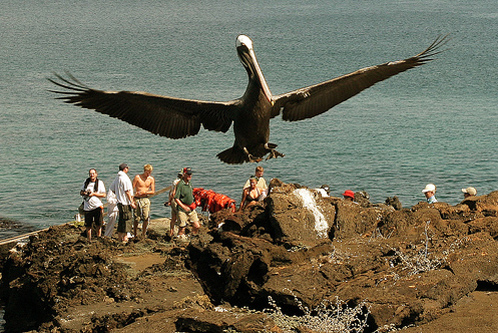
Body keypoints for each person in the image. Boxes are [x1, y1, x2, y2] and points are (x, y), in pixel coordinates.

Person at [110, 163, 136, 242]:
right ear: (125, 169)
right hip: (125, 202)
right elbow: (127, 191)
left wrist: (118, 195)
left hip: (119, 202)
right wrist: (131, 201)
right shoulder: (124, 178)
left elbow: (113, 189)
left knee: (121, 220)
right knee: (127, 220)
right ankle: (125, 238)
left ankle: (120, 237)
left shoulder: (117, 178)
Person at [80, 168, 106, 242]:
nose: (92, 175)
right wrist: (85, 193)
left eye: (93, 173)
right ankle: (89, 240)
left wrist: (94, 194)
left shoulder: (100, 183)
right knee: (88, 226)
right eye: (90, 174)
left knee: (99, 224)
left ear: (96, 174)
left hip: (97, 207)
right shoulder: (86, 182)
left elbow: (104, 195)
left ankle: (99, 238)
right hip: (87, 208)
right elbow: (81, 192)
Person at [174, 167, 200, 237]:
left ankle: (191, 238)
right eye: (188, 174)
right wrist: (184, 207)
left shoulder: (189, 183)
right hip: (182, 210)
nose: (190, 176)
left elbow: (191, 193)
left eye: (191, 174)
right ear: (184, 174)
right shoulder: (180, 184)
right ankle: (179, 240)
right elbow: (176, 198)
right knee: (182, 228)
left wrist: (195, 201)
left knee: (197, 226)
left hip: (191, 209)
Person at [132, 164, 155, 238]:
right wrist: (132, 200)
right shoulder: (137, 177)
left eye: (150, 172)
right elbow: (131, 189)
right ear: (144, 171)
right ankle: (135, 233)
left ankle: (143, 233)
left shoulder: (151, 179)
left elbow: (152, 191)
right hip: (137, 199)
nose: (148, 174)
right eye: (147, 172)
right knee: (137, 217)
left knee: (146, 217)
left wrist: (144, 192)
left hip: (145, 198)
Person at [165, 169, 183, 238]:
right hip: (177, 201)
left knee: (173, 217)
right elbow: (173, 193)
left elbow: (171, 192)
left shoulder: (175, 182)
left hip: (173, 201)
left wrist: (169, 201)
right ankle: (179, 234)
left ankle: (171, 232)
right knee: (180, 217)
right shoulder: (180, 183)